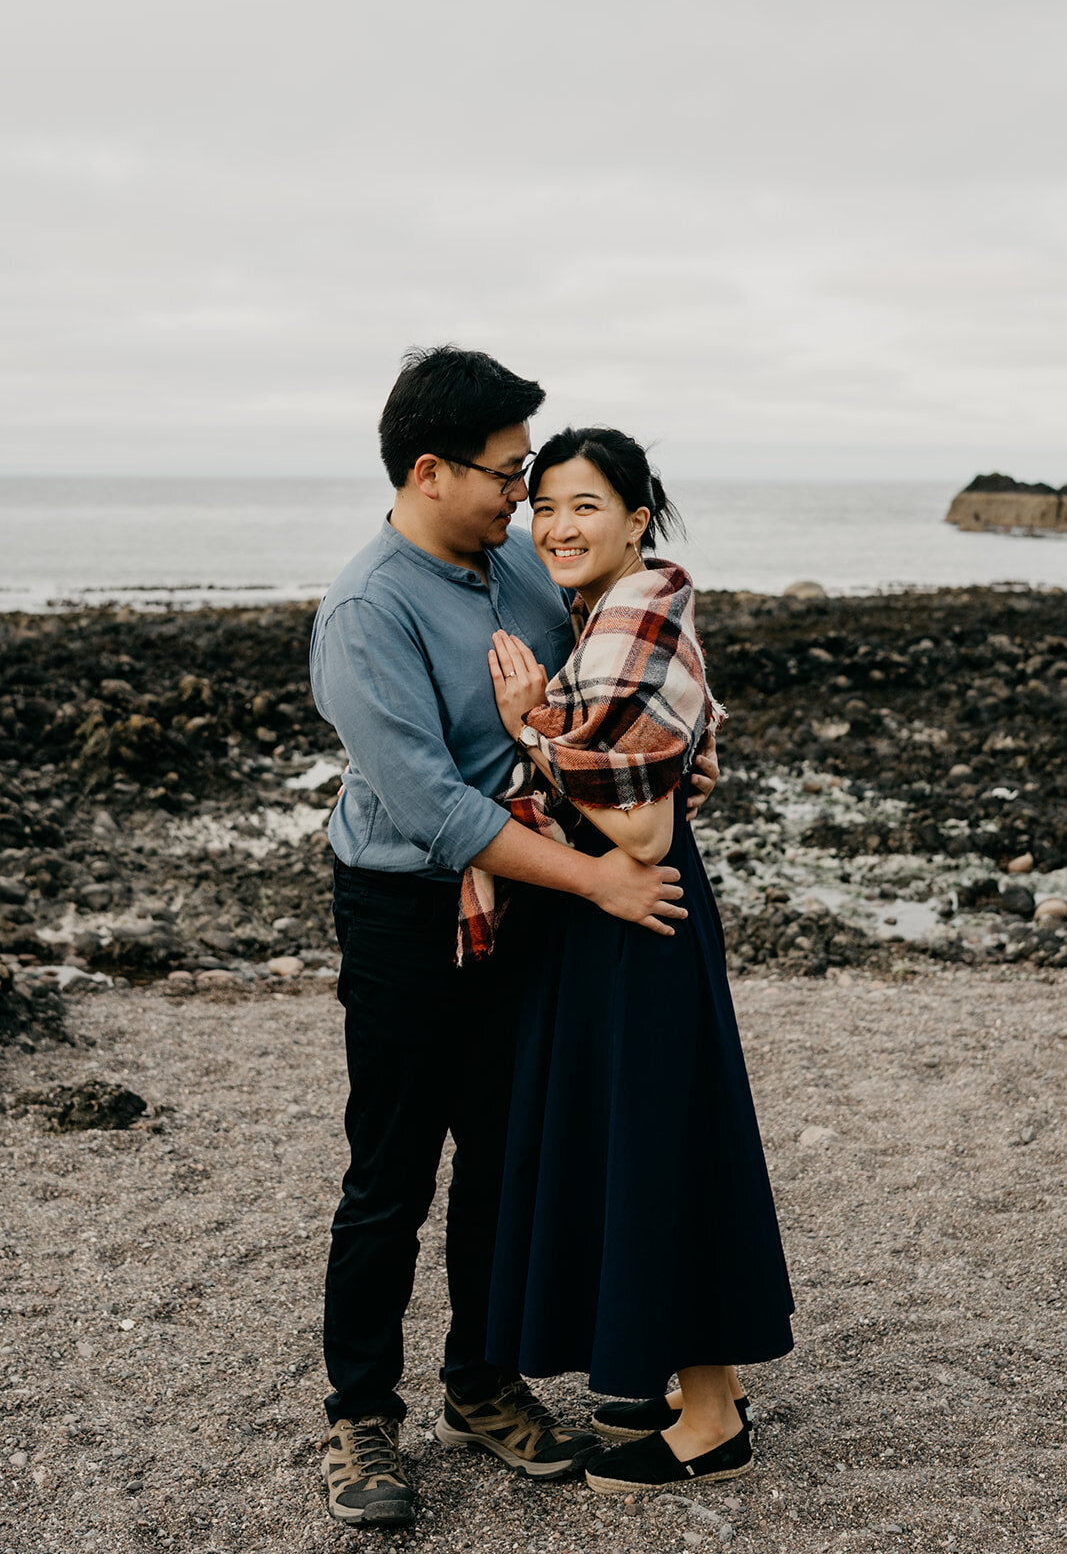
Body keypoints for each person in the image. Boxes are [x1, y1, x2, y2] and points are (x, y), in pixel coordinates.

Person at [309, 350, 718, 1530]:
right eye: (508, 473)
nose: (525, 496)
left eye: (535, 472)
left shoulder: (521, 575)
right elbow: (434, 807)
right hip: (406, 910)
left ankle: (482, 1383)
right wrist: (600, 879)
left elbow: (594, 711)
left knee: (504, 1151)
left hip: (523, 902)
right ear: (430, 472)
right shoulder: (366, 610)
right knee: (391, 1171)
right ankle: (359, 1415)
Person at [480, 426, 795, 1495]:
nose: (558, 526)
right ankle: (702, 1385)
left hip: (640, 909)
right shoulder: (609, 613)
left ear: (635, 518)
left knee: (663, 1141)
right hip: (622, 922)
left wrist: (530, 728)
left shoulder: (635, 620)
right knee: (660, 1131)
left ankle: (710, 1420)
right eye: (544, 506)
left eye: (583, 506)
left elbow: (643, 836)